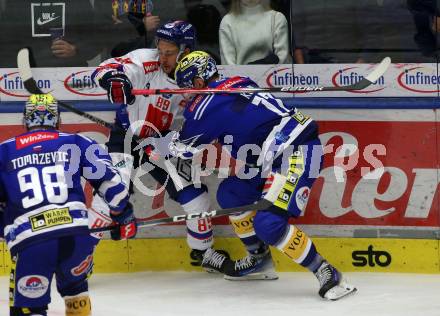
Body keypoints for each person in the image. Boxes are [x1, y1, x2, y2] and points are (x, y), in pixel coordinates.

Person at [167, 51, 357, 299]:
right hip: (270, 156)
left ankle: (327, 272)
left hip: (295, 153)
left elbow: (181, 148)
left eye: (186, 89)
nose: (185, 96)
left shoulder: (203, 107)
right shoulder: (239, 82)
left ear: (198, 83)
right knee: (231, 193)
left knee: (268, 224)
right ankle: (259, 259)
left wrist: (150, 144)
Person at [91, 20, 233, 274]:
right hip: (125, 137)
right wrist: (115, 80)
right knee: (108, 196)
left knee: (196, 197)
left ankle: (203, 253)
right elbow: (107, 67)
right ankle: (80, 260)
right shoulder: (146, 60)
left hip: (161, 141)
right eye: (161, 49)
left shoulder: (194, 75)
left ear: (186, 51)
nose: (163, 57)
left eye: (169, 53)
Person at [0, 94, 137, 316]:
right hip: (77, 239)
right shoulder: (76, 142)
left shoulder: (4, 151)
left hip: (32, 243)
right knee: (75, 290)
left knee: (28, 309)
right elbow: (113, 186)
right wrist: (124, 215)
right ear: (58, 121)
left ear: (25, 122)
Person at [0, 0, 100, 67]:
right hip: (26, 75)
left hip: (70, 75)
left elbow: (97, 38)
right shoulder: (16, 3)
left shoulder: (78, 2)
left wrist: (76, 49)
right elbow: (6, 41)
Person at [219, 0, 292, 64]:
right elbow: (228, 68)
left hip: (272, 77)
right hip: (240, 78)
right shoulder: (227, 22)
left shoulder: (277, 18)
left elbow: (283, 61)